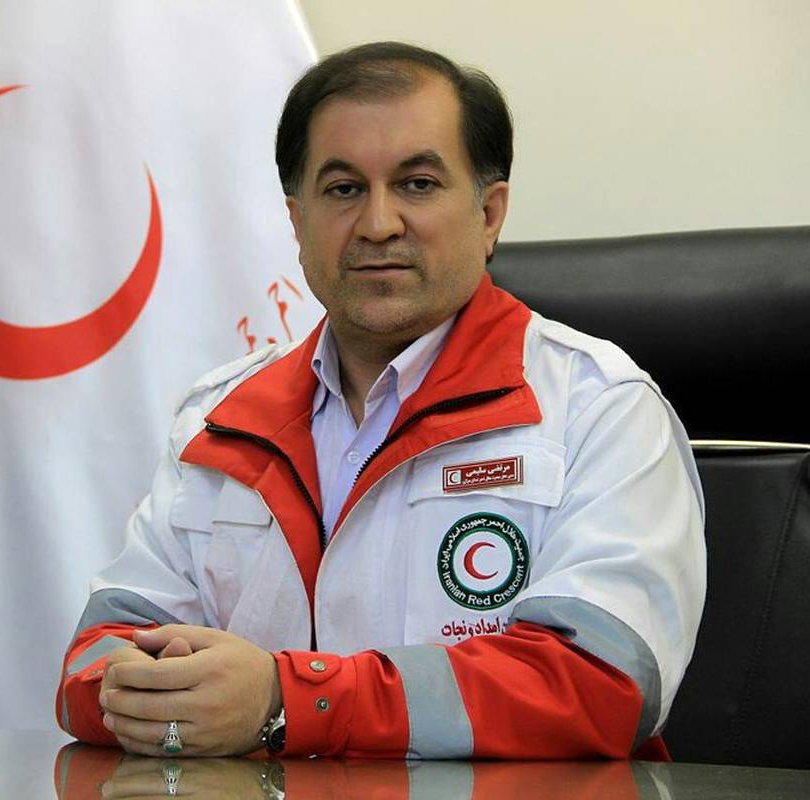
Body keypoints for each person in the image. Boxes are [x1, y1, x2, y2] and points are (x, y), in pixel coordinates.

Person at [56, 41, 705, 760]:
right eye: (343, 190)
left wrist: (289, 700)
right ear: (297, 222)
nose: (378, 224)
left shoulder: (598, 408)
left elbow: (603, 683)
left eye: (417, 184)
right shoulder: (220, 420)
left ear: (490, 214)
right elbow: (93, 659)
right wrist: (144, 694)